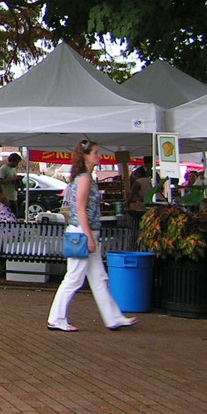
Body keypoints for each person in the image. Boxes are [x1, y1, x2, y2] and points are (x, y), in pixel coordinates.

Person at [47, 139, 137, 333]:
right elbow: (80, 209)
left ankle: (113, 318)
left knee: (98, 277)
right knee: (75, 277)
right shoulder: (85, 179)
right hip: (83, 233)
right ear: (86, 156)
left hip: (84, 232)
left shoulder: (84, 177)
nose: (99, 156)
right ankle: (56, 318)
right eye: (95, 153)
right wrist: (88, 236)